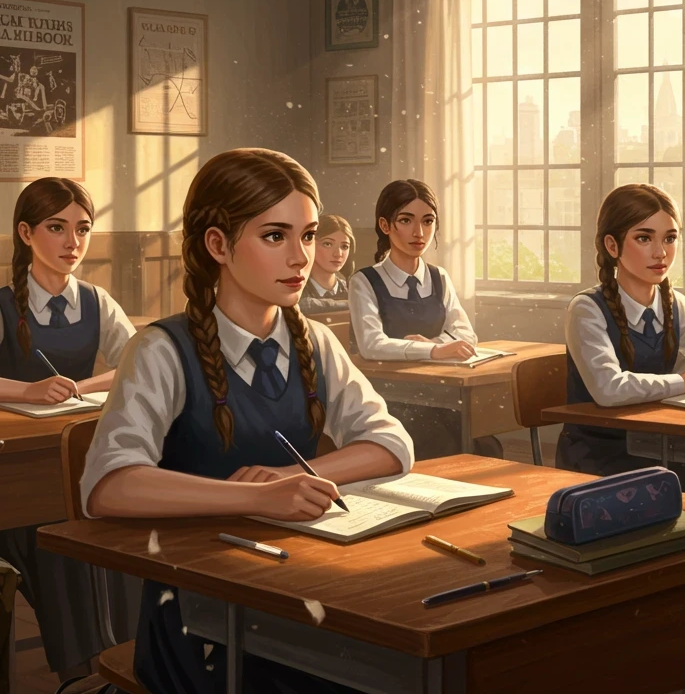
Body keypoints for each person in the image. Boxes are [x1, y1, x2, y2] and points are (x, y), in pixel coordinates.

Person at [81, 148, 413, 693]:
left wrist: (286, 478)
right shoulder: (162, 350)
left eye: (307, 236)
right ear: (218, 245)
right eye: (275, 236)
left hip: (296, 585)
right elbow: (108, 484)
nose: (301, 258)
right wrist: (253, 499)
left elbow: (391, 443)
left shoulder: (315, 341)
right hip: (195, 610)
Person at [0, 177, 136, 684]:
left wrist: (80, 385)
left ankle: (122, 663)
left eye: (82, 229)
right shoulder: (3, 304)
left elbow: (137, 362)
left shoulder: (97, 302)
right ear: (26, 232)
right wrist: (28, 391)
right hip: (16, 468)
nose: (72, 243)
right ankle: (80, 672)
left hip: (79, 456)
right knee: (53, 544)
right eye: (56, 228)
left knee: (111, 533)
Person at [557, 183, 685, 503]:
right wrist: (684, 381)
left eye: (669, 238)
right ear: (612, 245)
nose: (660, 252)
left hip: (659, 449)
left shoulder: (674, 304)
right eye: (643, 238)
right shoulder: (586, 309)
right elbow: (609, 389)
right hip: (599, 455)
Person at [349, 179, 499, 457]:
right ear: (385, 226)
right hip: (390, 398)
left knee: (484, 445)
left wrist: (432, 344)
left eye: (428, 221)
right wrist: (436, 349)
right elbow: (371, 344)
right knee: (440, 442)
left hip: (441, 394)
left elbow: (466, 335)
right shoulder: (365, 282)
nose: (419, 232)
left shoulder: (438, 277)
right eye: (406, 220)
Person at [300, 213, 354, 315]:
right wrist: (351, 304)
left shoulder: (352, 290)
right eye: (327, 244)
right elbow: (304, 305)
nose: (338, 254)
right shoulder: (296, 287)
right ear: (310, 244)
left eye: (344, 246)